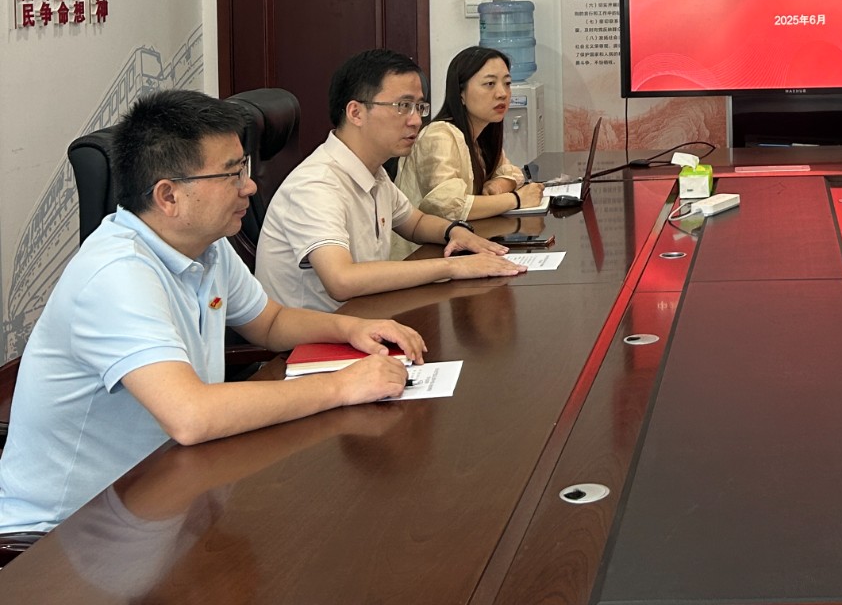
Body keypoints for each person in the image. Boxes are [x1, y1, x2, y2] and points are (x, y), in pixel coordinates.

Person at [0, 91, 426, 534]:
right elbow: (190, 415)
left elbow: (271, 322)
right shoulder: (116, 274)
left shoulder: (206, 245)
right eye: (232, 173)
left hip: (165, 494)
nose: (250, 186)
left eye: (245, 167)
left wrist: (353, 328)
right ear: (168, 196)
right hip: (67, 534)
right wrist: (341, 386)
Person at [254, 48, 528, 313]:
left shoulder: (374, 172)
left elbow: (416, 223)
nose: (416, 120)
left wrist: (456, 232)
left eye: (419, 107)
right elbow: (341, 280)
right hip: (318, 337)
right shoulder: (316, 185)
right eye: (403, 106)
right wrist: (453, 267)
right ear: (356, 112)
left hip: (365, 317)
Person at [395, 46, 544, 228]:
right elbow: (447, 206)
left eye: (507, 83)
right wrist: (516, 199)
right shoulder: (439, 135)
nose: (502, 93)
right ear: (461, 93)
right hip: (425, 244)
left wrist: (499, 185)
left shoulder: (481, 135)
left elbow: (511, 172)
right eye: (490, 84)